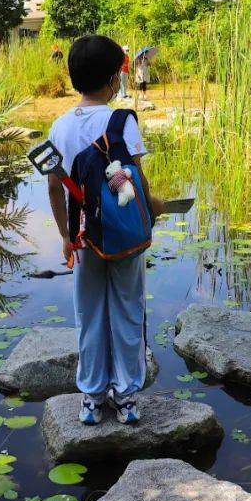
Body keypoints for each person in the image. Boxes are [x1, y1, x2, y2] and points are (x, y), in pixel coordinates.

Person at [46, 35, 164, 427]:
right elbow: (138, 179)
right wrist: (153, 211)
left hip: (83, 238)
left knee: (89, 314)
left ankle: (92, 398)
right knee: (128, 310)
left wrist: (65, 236)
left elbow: (54, 187)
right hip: (123, 236)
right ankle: (126, 397)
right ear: (114, 79)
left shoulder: (59, 126)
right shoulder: (121, 121)